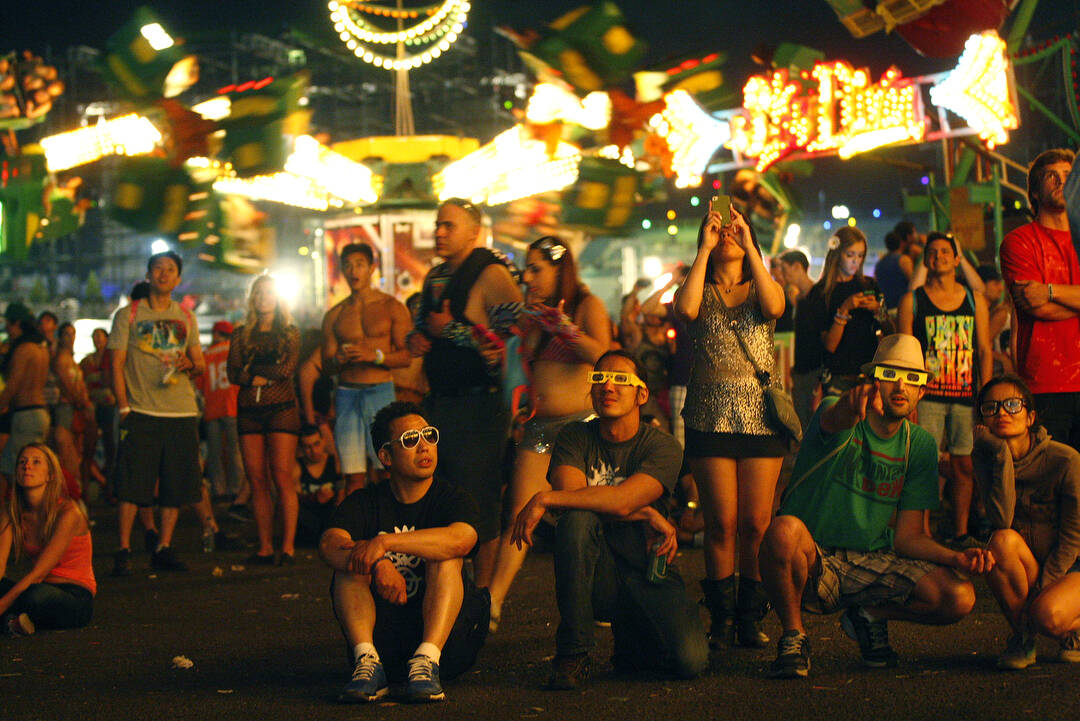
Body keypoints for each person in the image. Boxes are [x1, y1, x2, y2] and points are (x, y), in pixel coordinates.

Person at [759, 334, 992, 679]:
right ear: (872, 382)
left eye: (912, 378)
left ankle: (870, 615)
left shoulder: (920, 445)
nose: (900, 385)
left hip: (873, 562)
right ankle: (794, 636)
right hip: (814, 558)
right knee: (783, 530)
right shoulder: (838, 411)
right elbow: (835, 417)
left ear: (921, 392)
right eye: (889, 374)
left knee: (958, 597)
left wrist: (955, 557)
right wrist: (850, 406)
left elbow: (909, 537)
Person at [511, 350, 706, 688]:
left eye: (620, 380)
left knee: (690, 660)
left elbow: (616, 500)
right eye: (599, 379)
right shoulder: (575, 437)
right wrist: (644, 511)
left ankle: (632, 639)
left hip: (648, 566)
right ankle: (574, 652)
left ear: (641, 394)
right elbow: (577, 502)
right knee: (576, 521)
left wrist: (544, 497)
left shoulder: (663, 446)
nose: (608, 387)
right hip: (595, 568)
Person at [319, 401, 488, 703]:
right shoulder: (365, 501)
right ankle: (367, 662)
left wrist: (383, 544)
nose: (424, 447)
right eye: (410, 440)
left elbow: (462, 539)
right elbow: (330, 544)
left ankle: (426, 661)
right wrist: (376, 562)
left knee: (446, 554)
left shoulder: (452, 498)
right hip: (384, 641)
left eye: (429, 436)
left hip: (445, 645)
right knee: (352, 560)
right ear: (386, 456)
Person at [674, 204, 787, 650]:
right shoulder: (699, 287)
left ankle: (750, 616)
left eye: (734, 230)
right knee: (720, 521)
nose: (726, 235)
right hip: (709, 415)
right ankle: (720, 618)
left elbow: (777, 304)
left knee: (757, 523)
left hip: (761, 417)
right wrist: (703, 249)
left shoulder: (760, 287)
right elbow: (685, 309)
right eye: (718, 230)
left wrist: (752, 249)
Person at [487, 236, 610, 631]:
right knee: (520, 515)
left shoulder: (588, 305)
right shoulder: (532, 313)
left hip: (581, 430)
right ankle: (492, 602)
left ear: (561, 269)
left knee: (584, 523)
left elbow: (602, 356)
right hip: (539, 428)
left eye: (537, 268)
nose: (528, 276)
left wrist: (564, 328)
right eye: (527, 268)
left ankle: (598, 604)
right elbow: (496, 328)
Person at [406, 198, 523, 588]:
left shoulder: (493, 275)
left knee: (478, 500)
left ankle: (483, 595)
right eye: (437, 225)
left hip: (480, 406)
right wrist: (417, 337)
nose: (439, 232)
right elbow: (424, 324)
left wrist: (452, 332)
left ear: (474, 232)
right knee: (441, 494)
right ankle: (446, 587)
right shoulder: (435, 276)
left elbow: (514, 343)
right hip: (440, 402)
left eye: (449, 226)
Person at [972, 374, 1080, 668]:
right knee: (999, 543)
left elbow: (1074, 536)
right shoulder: (986, 455)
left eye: (1012, 404)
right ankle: (1023, 638)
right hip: (1031, 559)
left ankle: (1070, 628)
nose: (1002, 413)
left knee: (1048, 616)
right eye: (991, 407)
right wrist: (1000, 456)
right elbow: (1001, 519)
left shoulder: (1065, 460)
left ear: (1030, 416)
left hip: (1072, 564)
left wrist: (1043, 590)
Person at [109, 250, 206, 575]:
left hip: (180, 411)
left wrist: (190, 365)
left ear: (178, 278)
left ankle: (163, 546)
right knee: (132, 483)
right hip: (140, 409)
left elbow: (200, 363)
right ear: (148, 275)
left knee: (175, 485)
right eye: (158, 268)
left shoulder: (186, 317)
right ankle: (123, 549)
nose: (164, 274)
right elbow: (116, 363)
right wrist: (123, 406)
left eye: (170, 269)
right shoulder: (129, 315)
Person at [898, 231, 992, 545]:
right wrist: (909, 398)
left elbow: (984, 349)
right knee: (924, 465)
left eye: (945, 252)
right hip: (928, 396)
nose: (939, 257)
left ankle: (961, 531)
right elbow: (905, 351)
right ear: (925, 260)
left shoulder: (972, 299)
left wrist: (986, 394)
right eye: (933, 253)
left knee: (964, 464)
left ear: (956, 258)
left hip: (965, 396)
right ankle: (921, 531)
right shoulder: (913, 301)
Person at [1000, 148, 1080, 452]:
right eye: (1052, 176)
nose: (1062, 182)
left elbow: (1042, 299)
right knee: (1047, 485)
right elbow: (1034, 307)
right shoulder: (1019, 242)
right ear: (1033, 191)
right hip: (1045, 383)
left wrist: (1050, 290)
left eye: (1068, 177)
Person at [321, 243, 411, 492]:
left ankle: (391, 527)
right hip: (347, 393)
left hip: (380, 391)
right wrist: (338, 359)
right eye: (348, 266)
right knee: (352, 475)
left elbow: (406, 356)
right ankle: (357, 528)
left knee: (387, 469)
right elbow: (326, 366)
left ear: (372, 268)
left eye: (359, 264)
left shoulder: (391, 307)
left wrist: (376, 356)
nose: (353, 271)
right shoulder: (334, 315)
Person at [227, 275, 301, 566]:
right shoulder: (240, 333)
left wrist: (255, 374)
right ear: (252, 298)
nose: (264, 297)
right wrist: (251, 377)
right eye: (259, 293)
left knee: (282, 477)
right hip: (248, 412)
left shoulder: (290, 332)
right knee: (256, 480)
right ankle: (265, 547)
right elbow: (233, 372)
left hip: (282, 408)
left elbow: (288, 369)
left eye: (269, 292)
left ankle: (289, 547)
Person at [0, 443, 95, 636]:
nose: (27, 466)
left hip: (72, 596)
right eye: (22, 462)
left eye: (36, 462)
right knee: (21, 592)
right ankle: (13, 623)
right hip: (35, 587)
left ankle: (8, 620)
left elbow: (38, 573)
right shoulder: (10, 512)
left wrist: (1, 604)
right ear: (16, 473)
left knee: (36, 597)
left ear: (50, 475)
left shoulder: (68, 513)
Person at [815, 227, 886, 393]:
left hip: (869, 375)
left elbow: (890, 330)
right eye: (850, 255)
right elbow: (829, 346)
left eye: (860, 255)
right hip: (837, 378)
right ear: (837, 254)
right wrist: (844, 309)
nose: (856, 261)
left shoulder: (869, 285)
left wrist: (878, 310)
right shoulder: (822, 292)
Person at [196, 321, 247, 505]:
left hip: (212, 409)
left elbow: (199, 385)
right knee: (236, 451)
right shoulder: (235, 351)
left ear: (216, 333)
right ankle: (237, 490)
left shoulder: (206, 355)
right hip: (233, 406)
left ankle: (219, 490)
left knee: (215, 453)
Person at [640, 265, 691, 447]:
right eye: (683, 282)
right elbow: (646, 309)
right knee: (681, 438)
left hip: (708, 378)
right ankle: (684, 475)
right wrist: (669, 283)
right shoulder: (676, 309)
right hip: (681, 379)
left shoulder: (708, 302)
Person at [0, 304, 50, 481]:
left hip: (26, 415)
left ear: (17, 323)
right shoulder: (41, 348)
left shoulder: (23, 349)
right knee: (13, 469)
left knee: (21, 473)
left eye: (8, 324)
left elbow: (13, 384)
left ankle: (22, 509)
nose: (6, 329)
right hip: (39, 413)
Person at [779, 250, 821, 429]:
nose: (782, 275)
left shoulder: (818, 296)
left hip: (814, 371)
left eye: (785, 269)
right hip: (801, 371)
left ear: (797, 266)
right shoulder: (800, 299)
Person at [51, 322, 93, 495]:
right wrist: (81, 402)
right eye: (67, 334)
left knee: (75, 450)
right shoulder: (60, 359)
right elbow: (66, 386)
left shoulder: (69, 358)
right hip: (67, 408)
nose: (70, 338)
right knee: (67, 451)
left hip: (74, 408)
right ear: (60, 337)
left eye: (73, 334)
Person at [80, 328, 117, 488]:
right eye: (94, 336)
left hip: (109, 406)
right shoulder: (87, 361)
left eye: (100, 336)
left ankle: (110, 486)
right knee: (89, 447)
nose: (97, 340)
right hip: (93, 407)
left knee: (111, 447)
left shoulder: (113, 359)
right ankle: (87, 487)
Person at [295, 424, 342, 546]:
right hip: (308, 523)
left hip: (331, 518)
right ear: (301, 449)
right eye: (307, 447)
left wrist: (335, 496)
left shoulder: (335, 463)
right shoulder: (296, 468)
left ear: (323, 442)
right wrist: (313, 497)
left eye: (316, 444)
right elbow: (291, 500)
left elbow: (345, 491)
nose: (313, 451)